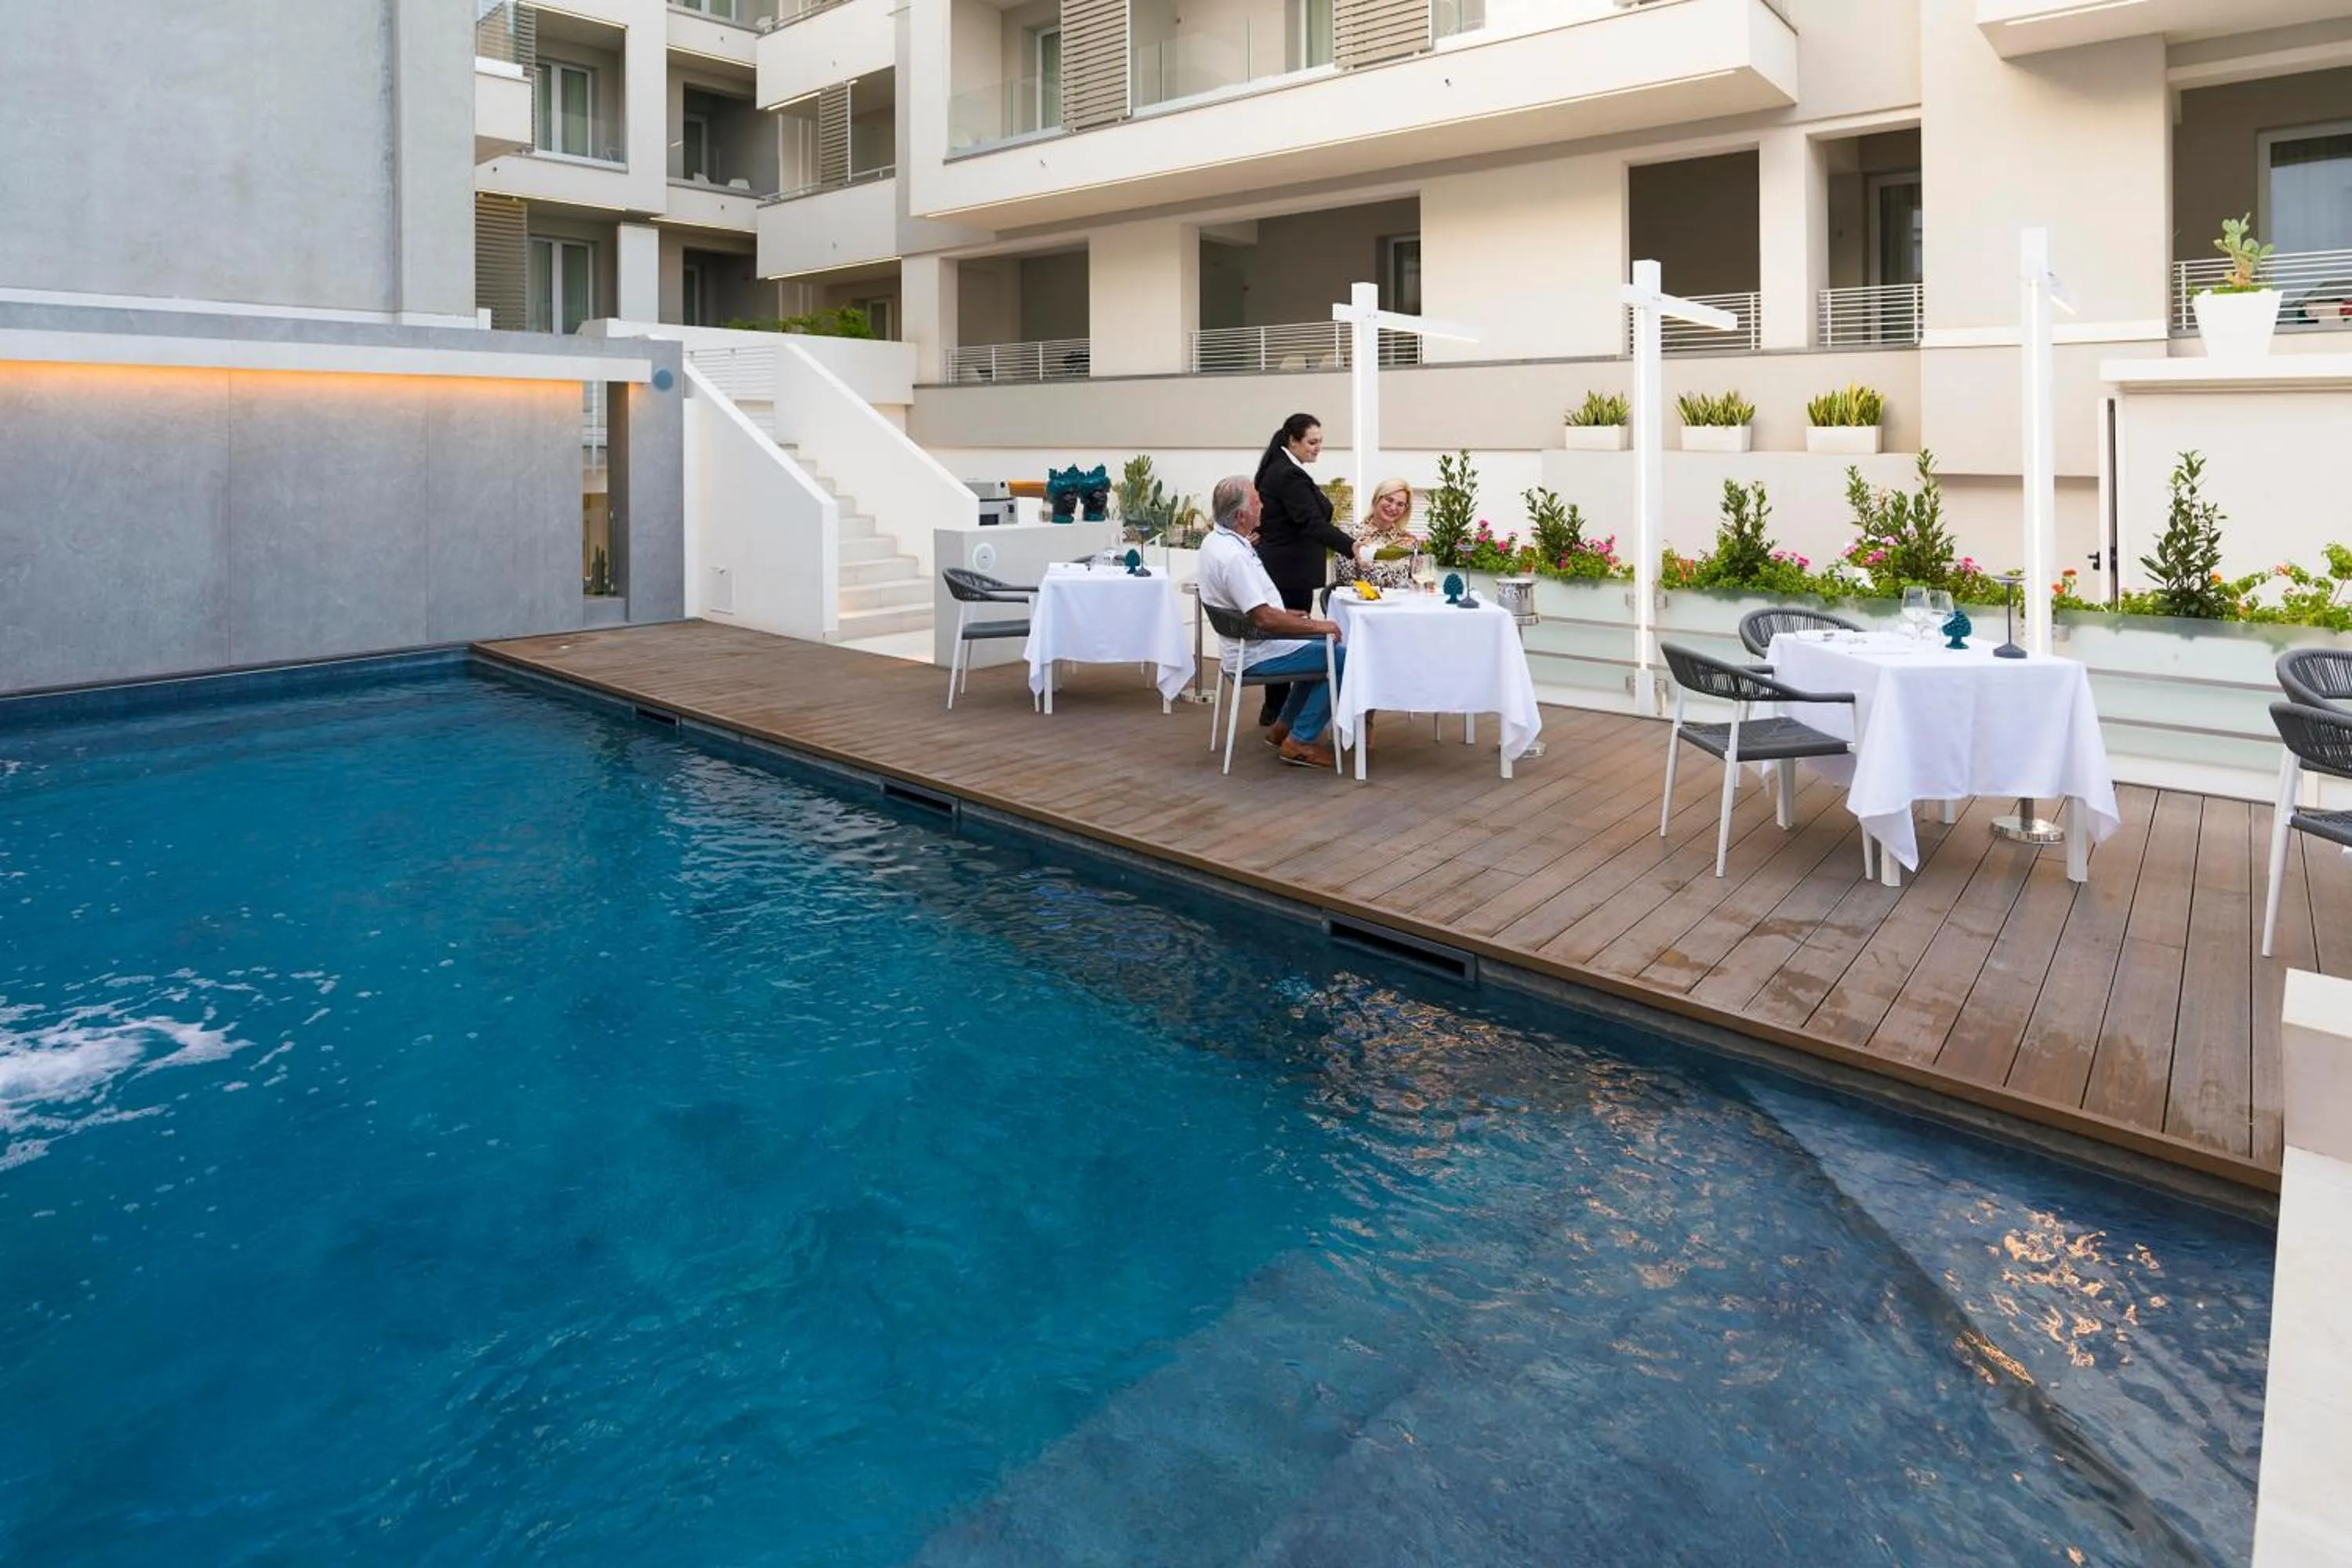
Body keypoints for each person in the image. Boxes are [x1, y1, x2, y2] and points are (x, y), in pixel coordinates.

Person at [1198, 476, 1349, 771]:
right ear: (1242, 515)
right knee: (1343, 658)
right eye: (1258, 502)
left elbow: (1257, 610)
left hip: (1247, 642)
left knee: (1327, 650)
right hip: (1255, 652)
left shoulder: (1215, 541)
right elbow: (1264, 618)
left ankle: (1284, 728)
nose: (1263, 505)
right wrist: (1319, 627)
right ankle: (1300, 742)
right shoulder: (1233, 557)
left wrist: (1290, 615)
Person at [1251, 413, 1370, 728]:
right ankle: (1283, 717)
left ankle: (1276, 711)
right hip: (1289, 570)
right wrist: (1352, 547)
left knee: (1284, 639)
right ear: (1293, 441)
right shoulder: (1289, 475)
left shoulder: (1280, 468)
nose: (1318, 448)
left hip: (1283, 566)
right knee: (1290, 641)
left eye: (1320, 442)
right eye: (1312, 442)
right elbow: (1311, 522)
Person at [1350, 478, 1420, 592]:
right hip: (1364, 606)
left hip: (1401, 606)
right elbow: (1347, 584)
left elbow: (1416, 584)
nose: (1393, 508)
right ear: (1376, 499)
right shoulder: (1353, 536)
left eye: (1400, 504)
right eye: (1389, 500)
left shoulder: (1409, 542)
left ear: (1405, 509)